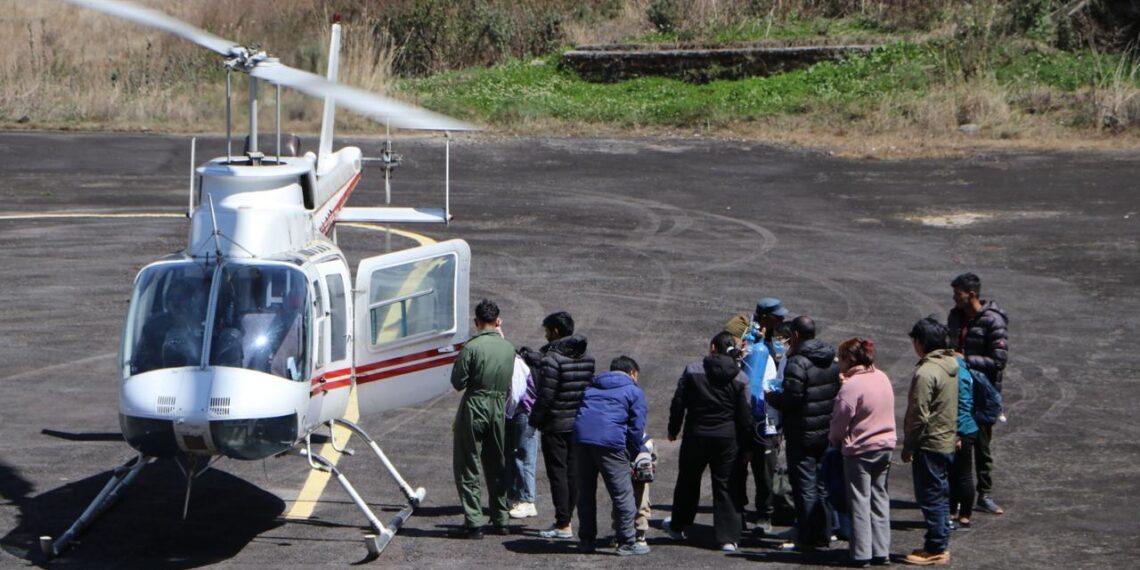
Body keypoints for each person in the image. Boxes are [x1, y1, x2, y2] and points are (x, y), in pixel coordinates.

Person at [666, 331, 751, 552]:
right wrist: (747, 445)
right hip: (727, 438)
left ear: (713, 348)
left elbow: (678, 402)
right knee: (725, 485)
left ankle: (679, 525)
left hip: (696, 434)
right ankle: (728, 537)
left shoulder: (693, 370)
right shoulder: (740, 377)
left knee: (688, 480)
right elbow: (745, 414)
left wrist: (673, 429)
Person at [765, 316, 841, 552]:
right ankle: (824, 532)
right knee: (821, 485)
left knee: (805, 486)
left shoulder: (797, 362)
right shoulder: (830, 359)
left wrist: (771, 397)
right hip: (825, 431)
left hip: (802, 432)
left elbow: (792, 399)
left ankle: (807, 535)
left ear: (795, 335)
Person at [525, 311, 595, 539]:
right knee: (573, 473)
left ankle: (562, 523)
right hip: (578, 424)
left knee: (558, 474)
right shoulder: (587, 359)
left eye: (547, 331)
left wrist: (533, 422)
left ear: (555, 331)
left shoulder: (553, 360)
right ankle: (569, 518)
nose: (545, 335)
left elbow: (545, 396)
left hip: (555, 425)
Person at [450, 299, 516, 539]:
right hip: (499, 405)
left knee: (468, 463)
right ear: (498, 321)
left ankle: (474, 521)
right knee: (496, 463)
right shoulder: (509, 348)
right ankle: (501, 518)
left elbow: (458, 383)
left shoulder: (471, 347)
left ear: (476, 322)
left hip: (475, 404)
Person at [572, 356, 650, 556]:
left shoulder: (592, 387)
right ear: (633, 373)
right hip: (611, 444)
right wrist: (636, 452)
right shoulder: (634, 391)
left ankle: (587, 541)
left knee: (586, 494)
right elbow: (636, 428)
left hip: (582, 441)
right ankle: (626, 542)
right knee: (622, 494)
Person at [829, 338, 896, 568]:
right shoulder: (882, 377)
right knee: (880, 498)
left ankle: (861, 553)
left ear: (849, 359)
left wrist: (835, 440)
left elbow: (839, 422)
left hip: (860, 450)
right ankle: (881, 551)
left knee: (859, 501)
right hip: (885, 446)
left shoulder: (851, 386)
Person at [947, 272, 1009, 516]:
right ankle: (957, 494)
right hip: (958, 388)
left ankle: (984, 493)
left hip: (982, 392)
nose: (954, 298)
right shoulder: (955, 316)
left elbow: (999, 360)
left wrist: (966, 360)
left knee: (982, 445)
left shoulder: (993, 321)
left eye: (957, 293)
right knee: (956, 443)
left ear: (971, 294)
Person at [901, 317, 959, 565]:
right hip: (946, 439)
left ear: (921, 342)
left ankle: (935, 546)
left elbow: (918, 414)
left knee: (930, 496)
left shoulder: (926, 372)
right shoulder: (951, 365)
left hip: (930, 443)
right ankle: (939, 541)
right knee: (941, 493)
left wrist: (909, 445)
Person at [732, 310, 780, 535]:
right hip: (755, 423)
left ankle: (761, 514)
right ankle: (749, 514)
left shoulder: (760, 355)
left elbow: (765, 389)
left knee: (759, 471)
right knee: (750, 471)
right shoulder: (742, 357)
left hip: (758, 422)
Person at [506, 338, 540, 520]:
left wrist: (507, 413)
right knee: (514, 455)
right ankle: (516, 497)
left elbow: (516, 393)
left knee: (524, 456)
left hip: (523, 414)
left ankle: (527, 500)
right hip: (520, 414)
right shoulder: (516, 361)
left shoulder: (516, 364)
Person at [949, 354, 980, 531]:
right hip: (968, 427)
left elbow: (958, 405)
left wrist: (956, 433)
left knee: (962, 474)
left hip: (962, 429)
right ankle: (954, 513)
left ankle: (963, 516)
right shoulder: (965, 370)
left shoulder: (956, 374)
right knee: (957, 473)